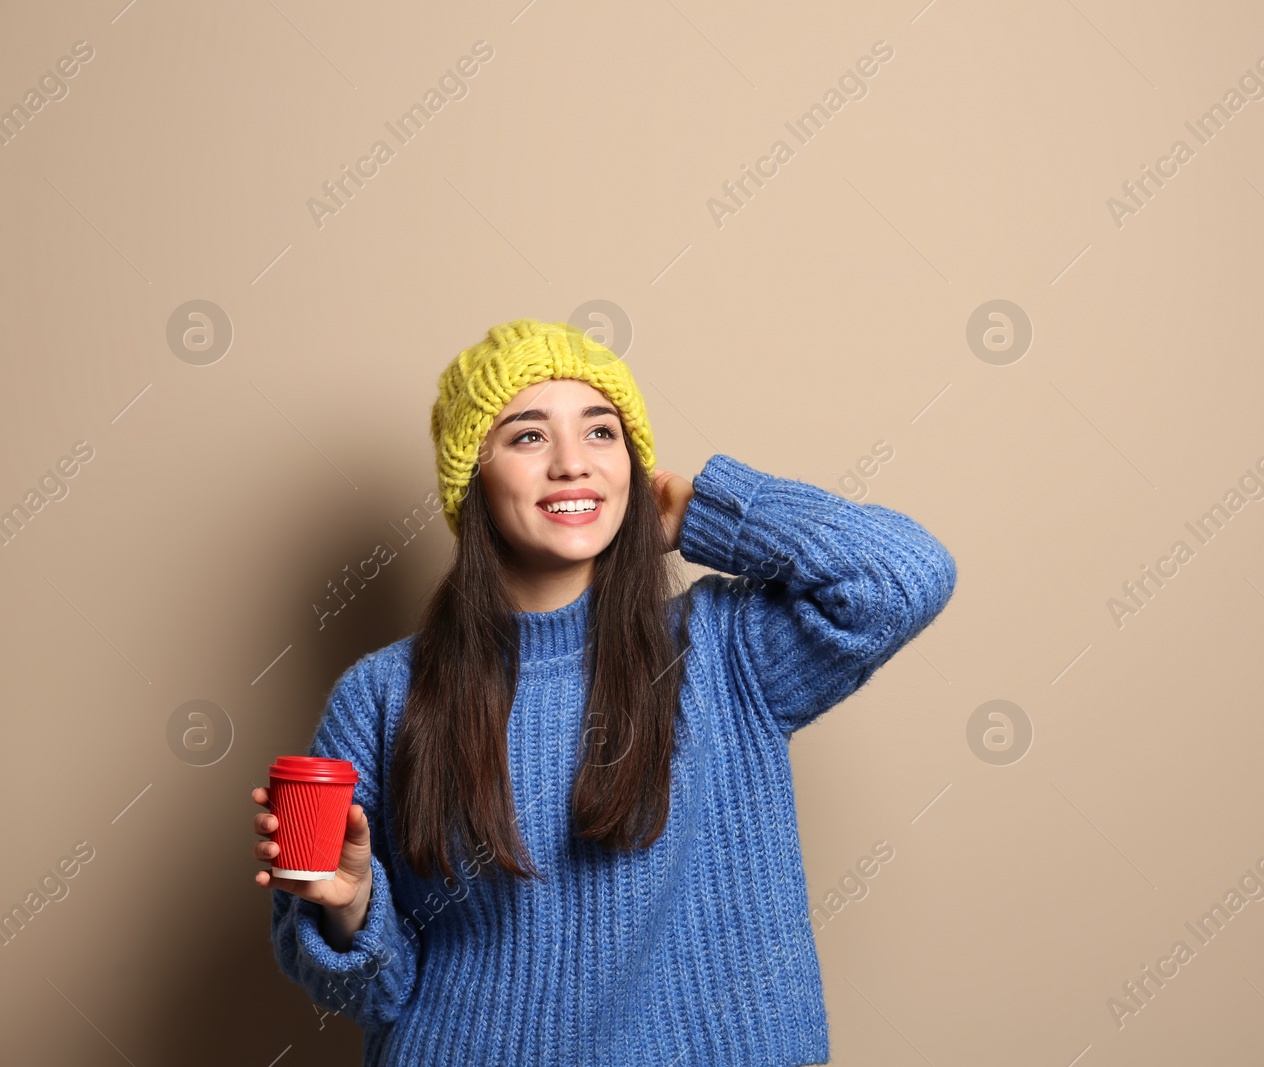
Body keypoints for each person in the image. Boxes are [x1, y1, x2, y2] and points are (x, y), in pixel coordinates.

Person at [250, 318, 958, 1065]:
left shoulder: (722, 650)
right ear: (472, 480)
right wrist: (353, 905)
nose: (571, 465)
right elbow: (374, 996)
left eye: (601, 433)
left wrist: (702, 510)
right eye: (527, 436)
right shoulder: (382, 695)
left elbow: (902, 575)